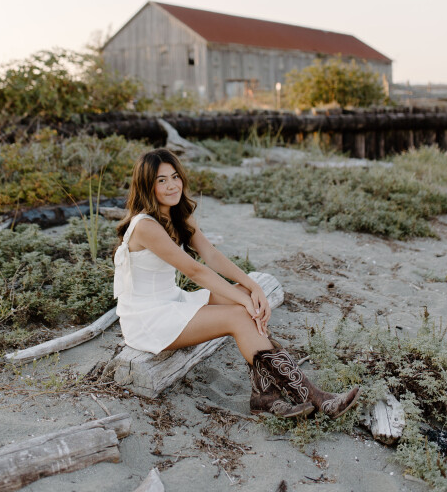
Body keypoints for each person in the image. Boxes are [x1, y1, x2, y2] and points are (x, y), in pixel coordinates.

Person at [113, 148, 359, 419]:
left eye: (175, 177)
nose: (172, 185)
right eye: (161, 180)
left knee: (246, 297)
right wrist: (243, 300)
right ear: (147, 185)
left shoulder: (177, 215)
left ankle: (265, 394)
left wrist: (253, 288)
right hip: (147, 318)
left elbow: (211, 256)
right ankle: (313, 396)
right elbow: (195, 270)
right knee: (239, 314)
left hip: (172, 300)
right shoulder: (145, 226)